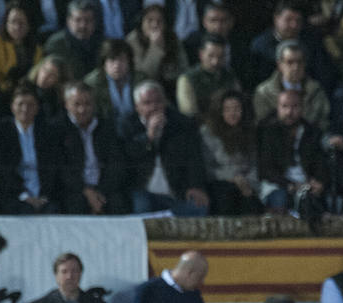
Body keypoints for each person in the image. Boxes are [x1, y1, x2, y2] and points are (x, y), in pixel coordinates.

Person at [121, 81, 210, 216]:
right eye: (147, 103)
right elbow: (128, 156)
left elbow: (194, 158)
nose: (154, 107)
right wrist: (149, 137)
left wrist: (195, 186)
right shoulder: (127, 125)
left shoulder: (182, 124)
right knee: (142, 211)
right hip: (142, 190)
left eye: (158, 102)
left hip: (175, 190)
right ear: (137, 107)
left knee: (198, 207)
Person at [0, 81, 64, 213]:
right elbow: (3, 172)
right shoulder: (1, 132)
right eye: (20, 104)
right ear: (12, 107)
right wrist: (24, 196)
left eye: (30, 105)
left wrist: (43, 197)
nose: (25, 109)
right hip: (14, 196)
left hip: (43, 197)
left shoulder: (47, 133)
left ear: (37, 108)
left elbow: (52, 169)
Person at [255, 88, 327, 216]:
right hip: (278, 185)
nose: (289, 112)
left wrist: (318, 180)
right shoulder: (268, 132)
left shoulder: (312, 132)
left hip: (307, 184)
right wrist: (290, 185)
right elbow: (265, 168)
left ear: (302, 108)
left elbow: (320, 162)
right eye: (284, 106)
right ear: (277, 107)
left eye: (295, 106)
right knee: (279, 199)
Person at [61, 81, 128, 215]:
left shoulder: (107, 128)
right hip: (76, 190)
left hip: (104, 189)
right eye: (77, 104)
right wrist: (86, 191)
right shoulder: (59, 129)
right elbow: (62, 169)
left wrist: (100, 192)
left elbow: (116, 164)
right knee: (75, 205)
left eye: (87, 104)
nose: (82, 109)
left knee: (118, 203)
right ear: (67, 105)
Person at [198, 89, 262, 215]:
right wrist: (233, 177)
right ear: (220, 111)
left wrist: (248, 183)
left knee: (253, 205)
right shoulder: (208, 133)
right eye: (227, 109)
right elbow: (207, 167)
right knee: (228, 196)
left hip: (247, 183)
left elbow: (254, 164)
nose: (232, 113)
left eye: (237, 109)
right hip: (220, 183)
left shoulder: (250, 132)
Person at [252, 40, 330, 131]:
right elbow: (262, 124)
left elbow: (323, 121)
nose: (295, 67)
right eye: (290, 62)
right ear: (280, 65)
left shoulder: (316, 90)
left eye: (299, 62)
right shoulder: (264, 92)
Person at [28, 252, 112, 303]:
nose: (69, 276)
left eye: (74, 271)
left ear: (81, 274)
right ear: (56, 275)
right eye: (64, 272)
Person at [128, 250, 208, 303]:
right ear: (189, 273)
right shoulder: (147, 290)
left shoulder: (194, 295)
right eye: (200, 277)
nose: (201, 282)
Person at [176, 33, 239, 117]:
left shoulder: (229, 75)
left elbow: (238, 102)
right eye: (211, 56)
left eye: (220, 57)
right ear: (201, 54)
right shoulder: (187, 79)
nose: (215, 62)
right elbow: (189, 113)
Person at [44, 0, 102, 83]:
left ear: (94, 22)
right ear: (68, 21)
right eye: (78, 20)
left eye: (87, 20)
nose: (83, 25)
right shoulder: (56, 44)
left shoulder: (102, 43)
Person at [83, 40, 137, 126]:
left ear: (129, 62)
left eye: (122, 60)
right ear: (104, 62)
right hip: (106, 130)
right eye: (112, 60)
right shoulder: (92, 83)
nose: (117, 65)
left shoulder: (140, 79)